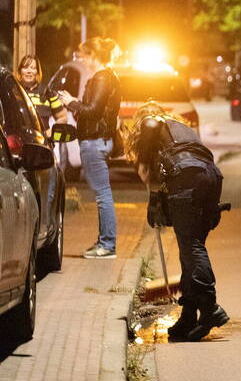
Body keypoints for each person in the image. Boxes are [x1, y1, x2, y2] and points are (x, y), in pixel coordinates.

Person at [126, 102, 229, 342]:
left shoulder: (153, 124)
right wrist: (156, 204)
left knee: (191, 246)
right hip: (210, 176)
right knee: (189, 249)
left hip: (188, 178)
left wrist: (143, 164)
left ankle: (210, 307)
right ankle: (189, 315)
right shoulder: (177, 130)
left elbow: (150, 124)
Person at [58, 37, 121, 259]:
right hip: (97, 140)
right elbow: (93, 110)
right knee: (102, 193)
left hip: (95, 141)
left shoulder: (102, 77)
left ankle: (107, 245)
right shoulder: (106, 76)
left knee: (103, 194)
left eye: (84, 55)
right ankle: (105, 241)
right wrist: (76, 104)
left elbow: (93, 111)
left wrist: (71, 102)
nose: (81, 59)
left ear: (93, 55)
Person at [16, 55, 69, 128]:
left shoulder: (47, 92)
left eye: (33, 68)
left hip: (43, 135)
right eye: (25, 68)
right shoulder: (13, 91)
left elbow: (63, 117)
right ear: (20, 71)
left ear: (37, 72)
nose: (29, 71)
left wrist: (51, 130)